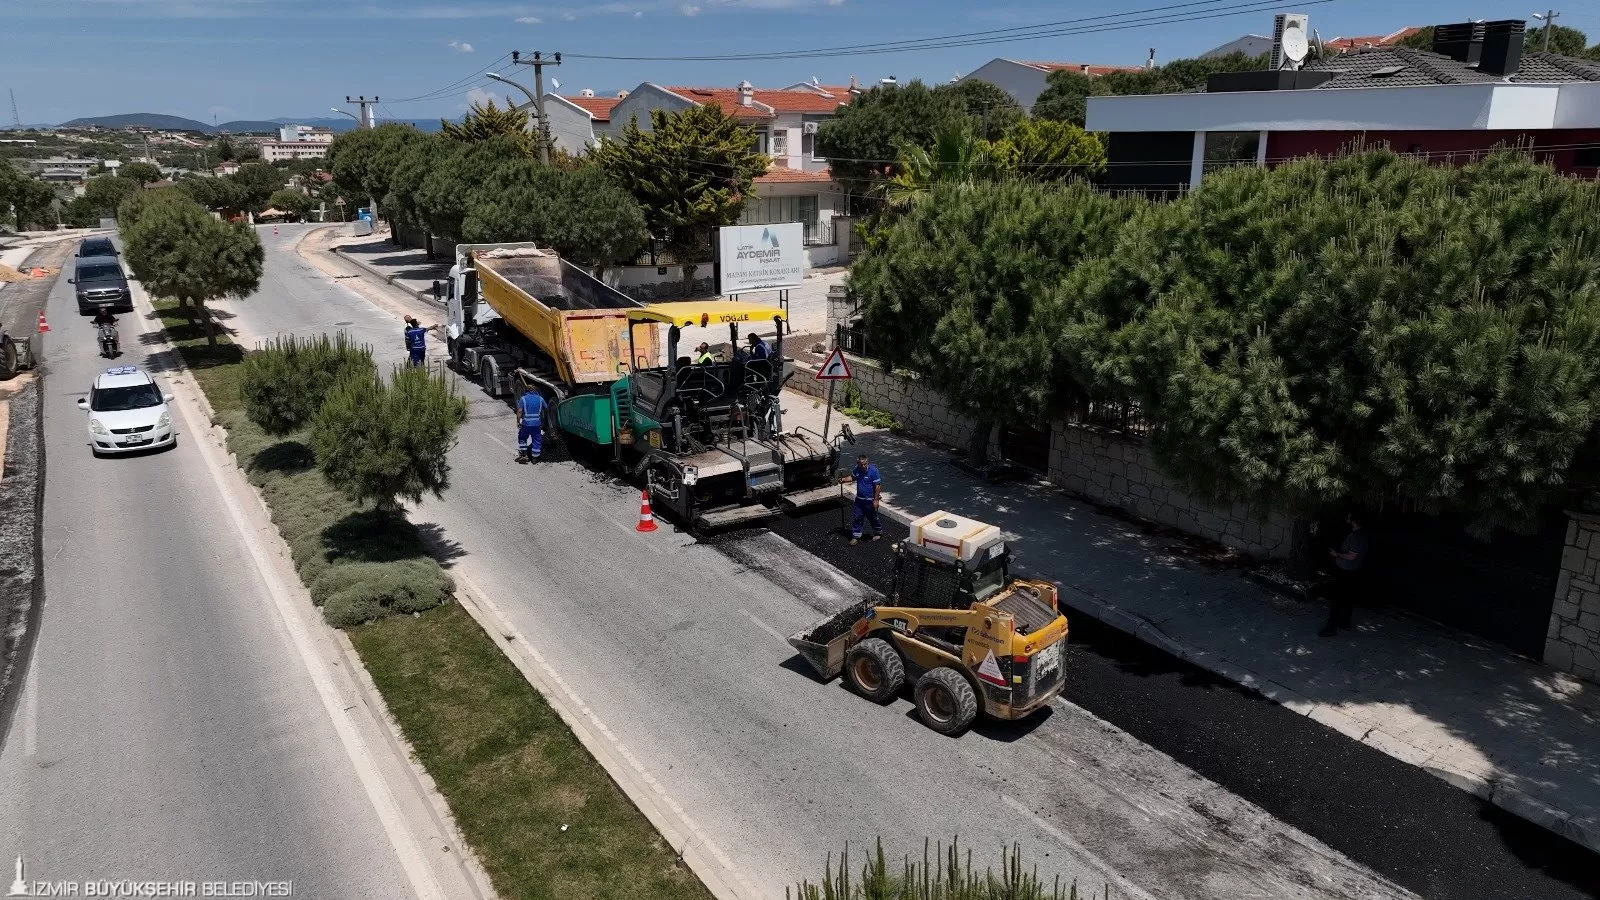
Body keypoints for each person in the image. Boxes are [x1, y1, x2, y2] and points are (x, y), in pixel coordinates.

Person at [1319, 511, 1370, 637]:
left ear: (1354, 521)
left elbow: (1352, 556)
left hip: (1345, 571)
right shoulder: (1364, 535)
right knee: (1348, 598)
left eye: (1349, 517)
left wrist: (1337, 554)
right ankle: (1345, 623)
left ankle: (1331, 628)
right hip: (1354, 571)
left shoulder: (1355, 537)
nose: (1346, 518)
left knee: (1336, 600)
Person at [842, 453, 882, 545]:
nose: (863, 466)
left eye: (865, 464)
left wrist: (876, 500)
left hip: (870, 500)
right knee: (857, 518)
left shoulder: (873, 471)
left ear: (867, 462)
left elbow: (877, 486)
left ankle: (878, 532)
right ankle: (856, 536)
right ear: (858, 464)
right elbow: (852, 477)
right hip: (859, 500)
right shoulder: (857, 469)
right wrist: (843, 479)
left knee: (872, 517)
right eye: (861, 464)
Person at [515, 386, 546, 463]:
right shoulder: (540, 399)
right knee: (536, 440)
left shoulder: (523, 399)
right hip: (536, 424)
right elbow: (546, 408)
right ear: (535, 390)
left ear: (526, 391)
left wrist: (518, 421)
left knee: (522, 438)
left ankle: (525, 455)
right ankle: (535, 458)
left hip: (526, 424)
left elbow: (519, 411)